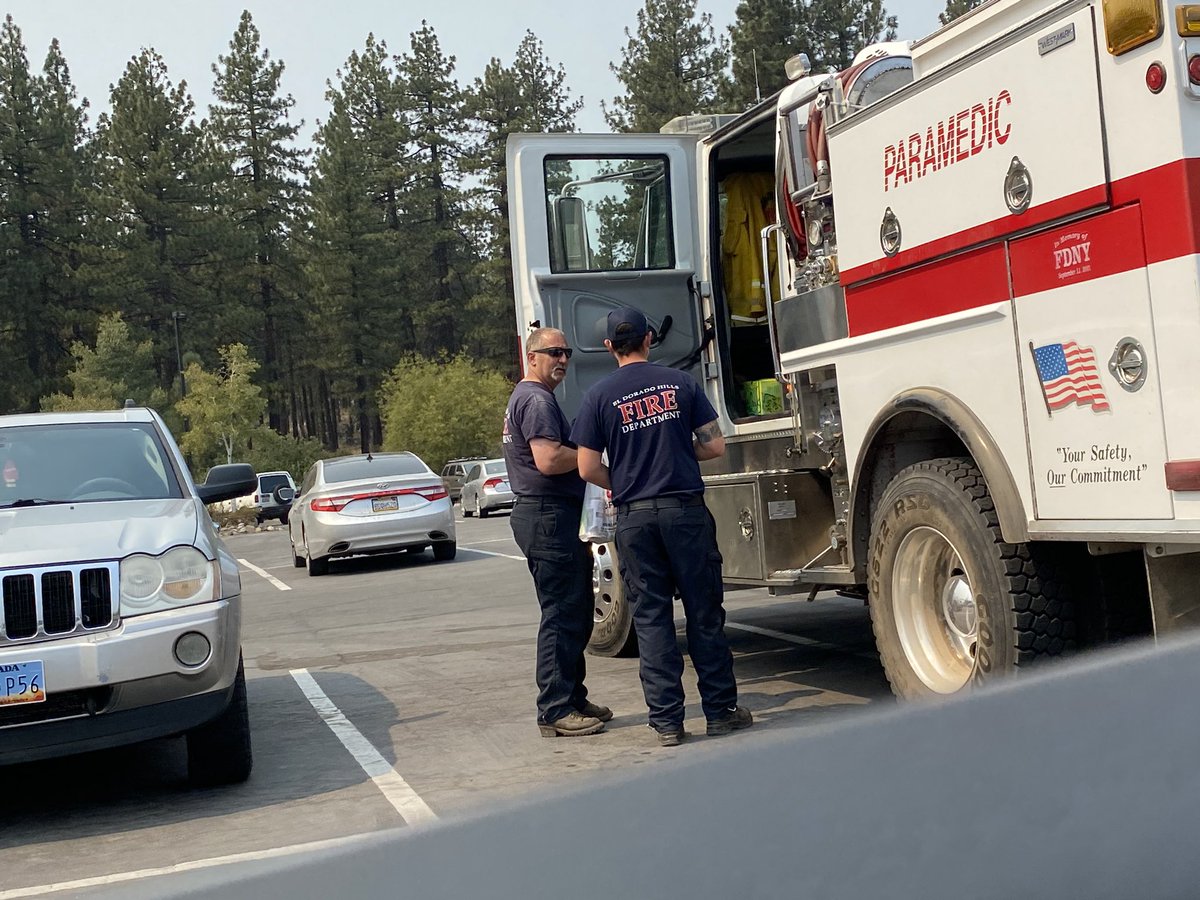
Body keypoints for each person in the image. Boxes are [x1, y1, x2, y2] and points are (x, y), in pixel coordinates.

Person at [570, 308, 752, 747]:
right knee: (704, 613)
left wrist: (627, 480)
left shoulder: (598, 396)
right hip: (684, 512)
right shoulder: (682, 383)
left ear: (609, 346)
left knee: (651, 618)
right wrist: (676, 453)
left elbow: (586, 466)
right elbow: (715, 446)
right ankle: (721, 711)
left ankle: (668, 721)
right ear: (650, 338)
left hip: (635, 519)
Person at [503, 326, 612, 738]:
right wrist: (591, 455)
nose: (563, 359)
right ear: (532, 357)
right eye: (553, 352)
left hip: (549, 515)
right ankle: (554, 708)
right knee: (562, 615)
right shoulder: (535, 399)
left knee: (577, 611)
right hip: (547, 516)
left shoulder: (531, 397)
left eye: (566, 352)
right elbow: (548, 460)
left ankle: (573, 696)